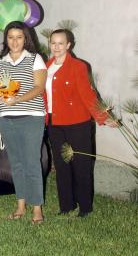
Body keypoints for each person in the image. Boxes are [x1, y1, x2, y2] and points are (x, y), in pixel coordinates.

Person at [45, 29, 117, 217]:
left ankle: (85, 207)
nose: (57, 47)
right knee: (62, 165)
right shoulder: (46, 66)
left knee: (81, 165)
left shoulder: (78, 66)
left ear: (69, 45)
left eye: (61, 43)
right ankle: (66, 205)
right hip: (54, 124)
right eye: (53, 43)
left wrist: (103, 117)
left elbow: (87, 94)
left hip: (78, 122)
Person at [0, 21, 47, 224]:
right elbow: (3, 89)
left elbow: (39, 87)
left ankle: (37, 208)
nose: (15, 41)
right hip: (7, 117)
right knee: (16, 163)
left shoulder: (34, 59)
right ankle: (21, 205)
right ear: (6, 39)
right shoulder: (0, 61)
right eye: (11, 37)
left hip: (31, 116)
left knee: (31, 162)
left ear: (26, 39)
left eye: (19, 37)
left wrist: (19, 99)